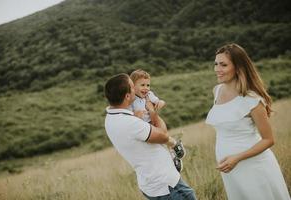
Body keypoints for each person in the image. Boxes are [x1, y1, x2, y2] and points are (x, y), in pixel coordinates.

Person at [206, 43, 290, 200]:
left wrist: (237, 158)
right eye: (216, 64)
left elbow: (269, 140)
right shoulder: (216, 91)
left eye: (223, 65)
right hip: (230, 169)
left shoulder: (252, 100)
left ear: (238, 67)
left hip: (254, 166)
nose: (217, 69)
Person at [104, 73, 197, 200]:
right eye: (132, 87)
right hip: (165, 184)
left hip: (149, 183)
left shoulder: (110, 119)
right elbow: (163, 135)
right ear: (127, 96)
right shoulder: (131, 123)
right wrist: (152, 111)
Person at [129, 69, 185, 172]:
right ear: (133, 86)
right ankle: (172, 154)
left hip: (153, 123)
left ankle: (173, 155)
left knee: (162, 141)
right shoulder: (131, 100)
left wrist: (160, 103)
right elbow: (130, 117)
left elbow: (159, 101)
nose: (146, 88)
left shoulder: (149, 95)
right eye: (142, 85)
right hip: (143, 127)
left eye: (148, 85)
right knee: (156, 147)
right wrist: (136, 115)